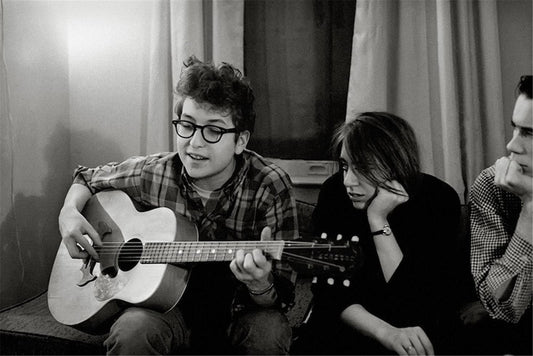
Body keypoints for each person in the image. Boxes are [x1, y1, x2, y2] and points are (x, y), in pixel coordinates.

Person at [57, 56, 298, 355]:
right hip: (165, 310)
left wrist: (260, 284)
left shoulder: (269, 186)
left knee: (269, 332)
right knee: (132, 330)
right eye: (187, 125)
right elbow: (87, 178)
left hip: (240, 312)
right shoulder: (154, 172)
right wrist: (68, 214)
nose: (195, 143)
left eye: (214, 130)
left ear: (240, 141)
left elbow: (281, 298)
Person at [292, 112, 462, 355]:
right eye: (344, 166)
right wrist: (384, 332)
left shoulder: (438, 200)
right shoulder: (333, 194)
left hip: (416, 330)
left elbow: (413, 304)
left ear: (395, 164)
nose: (348, 181)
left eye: (362, 167)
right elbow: (329, 296)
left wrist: (378, 219)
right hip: (347, 327)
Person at [468, 75, 532, 355]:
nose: (512, 146)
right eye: (515, 129)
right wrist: (530, 207)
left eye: (529, 133)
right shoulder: (492, 185)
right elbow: (501, 306)